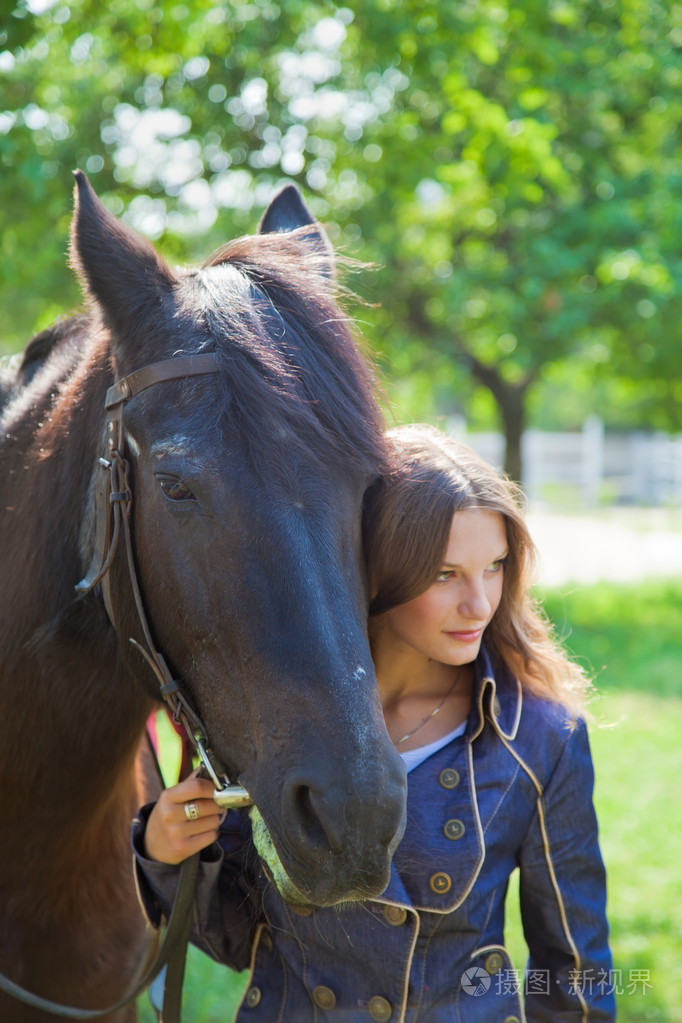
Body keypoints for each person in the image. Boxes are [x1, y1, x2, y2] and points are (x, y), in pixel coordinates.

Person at [132, 423, 615, 1022]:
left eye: (494, 566)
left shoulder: (539, 738)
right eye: (445, 575)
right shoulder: (274, 722)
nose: (480, 604)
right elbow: (232, 937)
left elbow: (575, 973)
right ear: (375, 570)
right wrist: (166, 850)